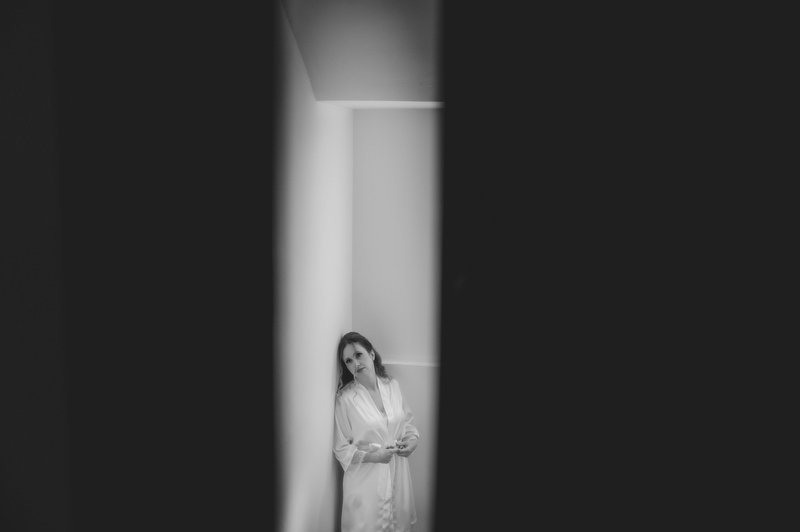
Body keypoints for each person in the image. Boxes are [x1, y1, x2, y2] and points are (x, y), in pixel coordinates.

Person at [333, 332, 419, 532]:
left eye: (358, 355)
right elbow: (341, 448)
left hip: (398, 474)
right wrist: (374, 456)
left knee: (398, 524)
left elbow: (407, 423)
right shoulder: (345, 399)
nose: (355, 363)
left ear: (371, 354)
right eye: (348, 360)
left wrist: (413, 441)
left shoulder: (392, 386)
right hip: (366, 484)